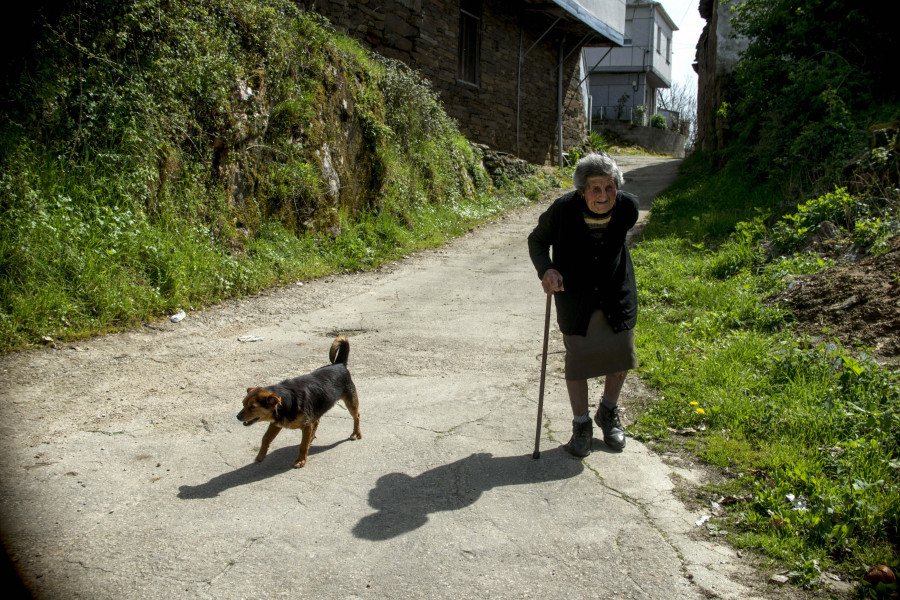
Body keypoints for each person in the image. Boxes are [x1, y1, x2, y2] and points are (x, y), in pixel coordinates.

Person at [527, 152, 639, 457]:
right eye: (595, 189)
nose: (603, 196)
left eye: (609, 187)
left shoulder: (627, 207)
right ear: (582, 190)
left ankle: (608, 411)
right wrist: (547, 269)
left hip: (617, 292)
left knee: (621, 352)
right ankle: (581, 425)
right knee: (578, 359)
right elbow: (537, 240)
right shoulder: (563, 210)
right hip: (575, 295)